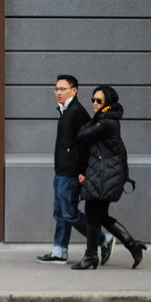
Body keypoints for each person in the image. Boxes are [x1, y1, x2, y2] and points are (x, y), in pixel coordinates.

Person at [37, 75, 114, 265]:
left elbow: (85, 143)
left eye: (63, 89)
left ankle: (104, 239)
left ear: (74, 90)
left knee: (69, 213)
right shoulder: (65, 111)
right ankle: (59, 251)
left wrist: (82, 171)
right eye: (56, 89)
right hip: (62, 170)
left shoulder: (77, 112)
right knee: (61, 213)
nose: (58, 93)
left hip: (71, 172)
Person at [71, 85, 146, 270]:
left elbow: (81, 134)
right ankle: (132, 245)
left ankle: (91, 256)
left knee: (92, 212)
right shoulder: (105, 119)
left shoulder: (106, 122)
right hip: (103, 173)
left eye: (99, 101)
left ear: (108, 104)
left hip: (104, 175)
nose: (94, 104)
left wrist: (92, 119)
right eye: (93, 100)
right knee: (101, 215)